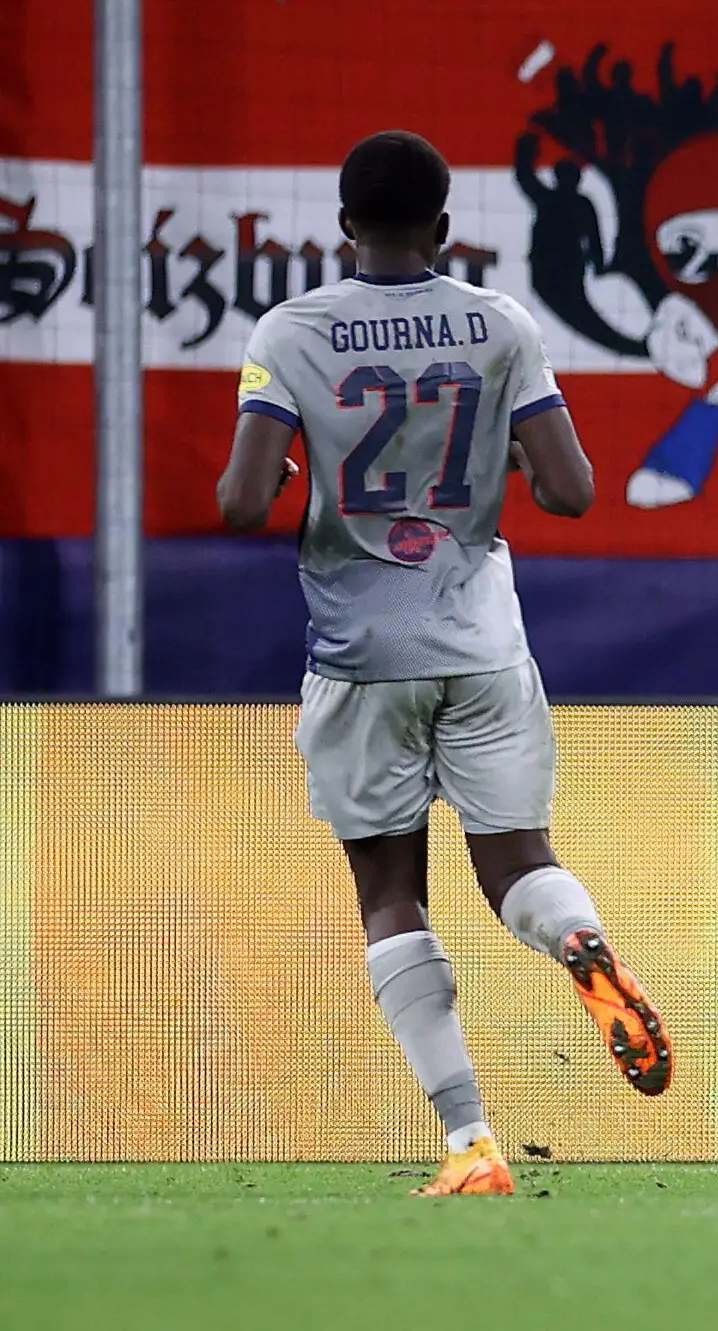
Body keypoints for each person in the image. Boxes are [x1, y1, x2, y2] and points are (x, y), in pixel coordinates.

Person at [214, 130, 672, 1197]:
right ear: (448, 227)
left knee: (390, 894)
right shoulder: (499, 324)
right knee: (516, 861)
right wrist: (488, 453)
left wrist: (296, 465)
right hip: (482, 646)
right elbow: (571, 492)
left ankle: (470, 1142)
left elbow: (238, 503)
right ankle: (582, 942)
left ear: (342, 227)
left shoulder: (289, 332)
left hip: (361, 653)